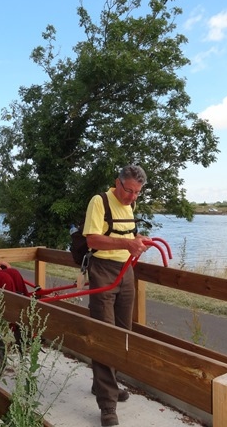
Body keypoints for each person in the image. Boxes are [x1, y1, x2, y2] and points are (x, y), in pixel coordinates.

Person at [82, 164, 150, 427]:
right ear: (117, 182)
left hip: (127, 271)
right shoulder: (100, 202)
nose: (132, 197)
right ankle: (108, 404)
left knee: (123, 333)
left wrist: (137, 239)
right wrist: (127, 243)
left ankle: (104, 384)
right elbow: (93, 240)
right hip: (103, 271)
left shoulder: (130, 206)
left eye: (137, 193)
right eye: (129, 191)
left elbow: (127, 236)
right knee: (104, 333)